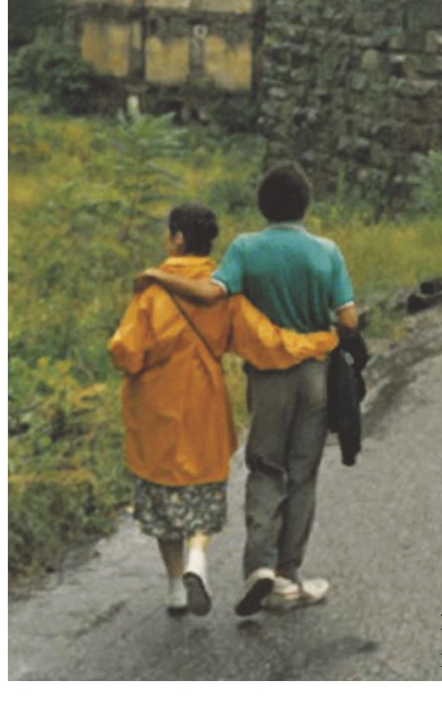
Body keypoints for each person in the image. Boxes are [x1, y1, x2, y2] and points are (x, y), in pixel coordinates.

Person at [134, 164, 360, 617]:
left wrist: (159, 278)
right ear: (305, 205)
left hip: (268, 378)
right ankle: (288, 577)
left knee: (265, 468)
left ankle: (258, 566)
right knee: (303, 474)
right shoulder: (326, 251)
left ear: (262, 205)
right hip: (315, 375)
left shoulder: (246, 249)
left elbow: (209, 295)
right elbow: (349, 320)